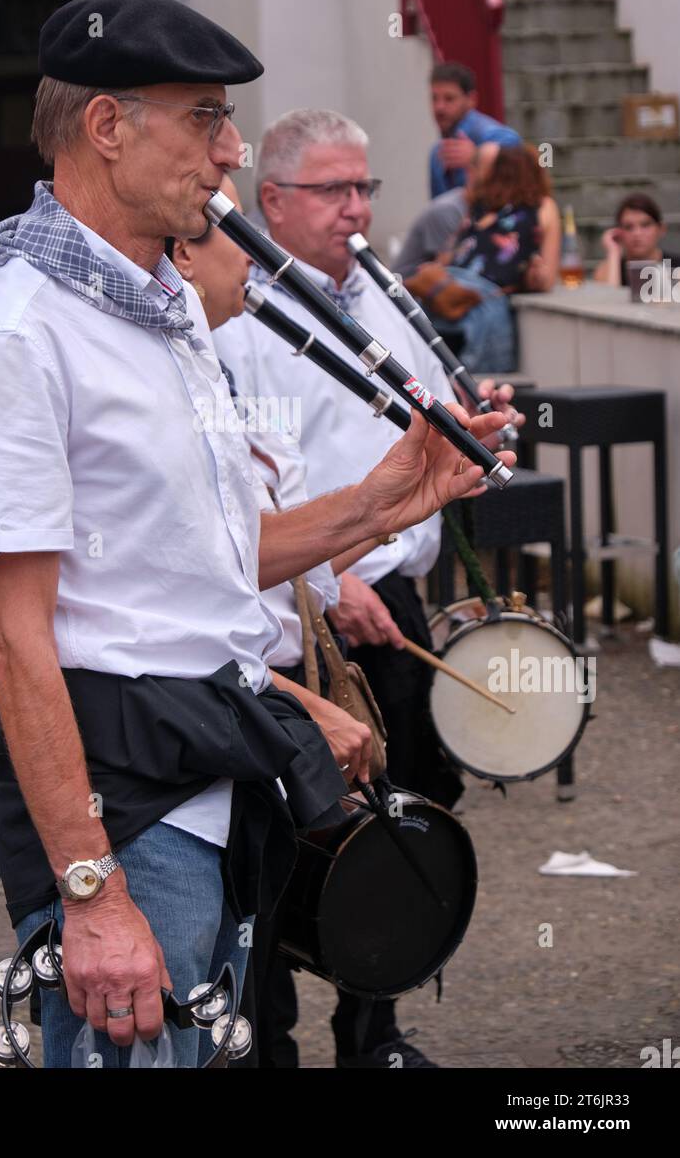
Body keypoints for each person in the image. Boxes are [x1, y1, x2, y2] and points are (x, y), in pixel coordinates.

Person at [0, 0, 510, 1070]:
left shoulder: (161, 312)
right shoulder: (14, 335)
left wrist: (391, 494)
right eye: (203, 116)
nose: (228, 149)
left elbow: (214, 563)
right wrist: (89, 894)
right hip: (125, 806)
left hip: (210, 776)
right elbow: (12, 639)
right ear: (107, 126)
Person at [213, 106, 521, 1067]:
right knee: (285, 838)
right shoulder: (240, 307)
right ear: (273, 200)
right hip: (308, 608)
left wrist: (469, 426)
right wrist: (332, 579)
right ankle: (270, 1042)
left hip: (398, 595)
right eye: (333, 191)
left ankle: (373, 1028)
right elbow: (254, 482)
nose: (355, 210)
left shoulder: (380, 295)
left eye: (365, 189)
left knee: (408, 809)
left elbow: (414, 425)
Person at [409, 144, 560, 373]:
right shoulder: (543, 206)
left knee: (436, 375)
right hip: (482, 301)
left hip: (444, 293)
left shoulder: (480, 205)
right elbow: (547, 279)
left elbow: (447, 255)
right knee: (481, 385)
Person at [429, 60, 520, 199]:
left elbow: (517, 152)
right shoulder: (437, 153)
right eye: (434, 98)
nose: (439, 107)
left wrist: (477, 157)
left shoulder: (490, 133)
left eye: (449, 98)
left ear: (471, 99)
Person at [593, 193, 667, 287]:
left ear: (661, 229)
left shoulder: (677, 266)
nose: (637, 233)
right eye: (628, 227)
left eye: (645, 225)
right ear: (619, 232)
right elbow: (607, 299)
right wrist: (613, 252)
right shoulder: (607, 269)